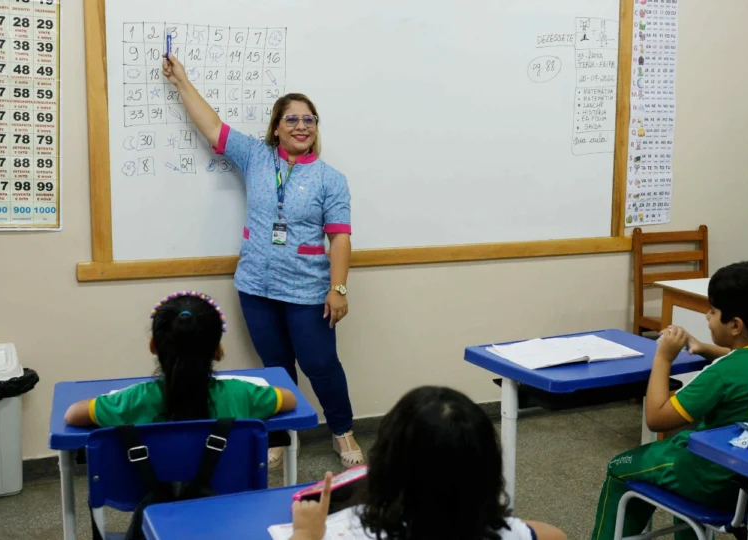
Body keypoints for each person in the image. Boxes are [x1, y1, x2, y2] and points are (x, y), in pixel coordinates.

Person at [162, 54, 362, 468]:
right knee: (276, 368)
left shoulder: (331, 179)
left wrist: (338, 289)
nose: (302, 126)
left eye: (309, 120)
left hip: (307, 290)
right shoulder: (256, 156)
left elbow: (340, 238)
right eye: (292, 119)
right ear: (276, 128)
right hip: (256, 287)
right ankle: (283, 435)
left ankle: (342, 432)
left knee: (321, 364)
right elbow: (212, 126)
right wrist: (181, 81)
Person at [591, 262, 748, 540]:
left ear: (735, 325)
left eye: (713, 311)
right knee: (678, 460)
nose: (706, 316)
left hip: (711, 479)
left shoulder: (721, 374)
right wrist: (704, 348)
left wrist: (663, 357)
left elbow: (656, 418)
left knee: (620, 467)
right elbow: (743, 361)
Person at [290, 386, 567, 540]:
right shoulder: (504, 533)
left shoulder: (362, 533)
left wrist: (304, 533)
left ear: (385, 464)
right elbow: (555, 535)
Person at [64, 291, 297, 427]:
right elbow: (289, 399)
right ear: (218, 351)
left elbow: (73, 414)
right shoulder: (242, 394)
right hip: (230, 496)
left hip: (157, 498)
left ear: (153, 346)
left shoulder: (134, 400)